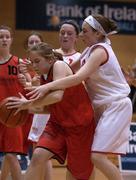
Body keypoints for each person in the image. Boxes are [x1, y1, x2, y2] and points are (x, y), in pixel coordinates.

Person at [25, 14, 133, 180]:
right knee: (88, 158)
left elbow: (77, 78)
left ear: (98, 33)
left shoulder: (100, 51)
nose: (81, 35)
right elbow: (68, 70)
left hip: (115, 105)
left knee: (96, 157)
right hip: (97, 107)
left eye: (84, 31)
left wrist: (45, 86)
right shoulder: (90, 50)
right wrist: (42, 64)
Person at [6, 42, 95, 180]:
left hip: (79, 125)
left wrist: (28, 104)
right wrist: (24, 108)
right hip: (58, 123)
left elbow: (57, 96)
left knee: (77, 173)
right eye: (32, 62)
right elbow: (47, 107)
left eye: (37, 61)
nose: (34, 66)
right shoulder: (43, 76)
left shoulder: (59, 65)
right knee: (38, 155)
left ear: (50, 59)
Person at [19, 31, 53, 180]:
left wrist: (28, 81)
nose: (33, 45)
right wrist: (25, 81)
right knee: (37, 150)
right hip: (33, 109)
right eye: (30, 42)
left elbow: (40, 87)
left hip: (41, 109)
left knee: (41, 151)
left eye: (36, 42)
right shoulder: (28, 65)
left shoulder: (41, 64)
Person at [0, 25, 25, 180]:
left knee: (10, 154)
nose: (4, 39)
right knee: (8, 154)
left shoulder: (19, 63)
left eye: (7, 37)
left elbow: (31, 83)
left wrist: (27, 79)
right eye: (1, 37)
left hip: (12, 114)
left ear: (11, 40)